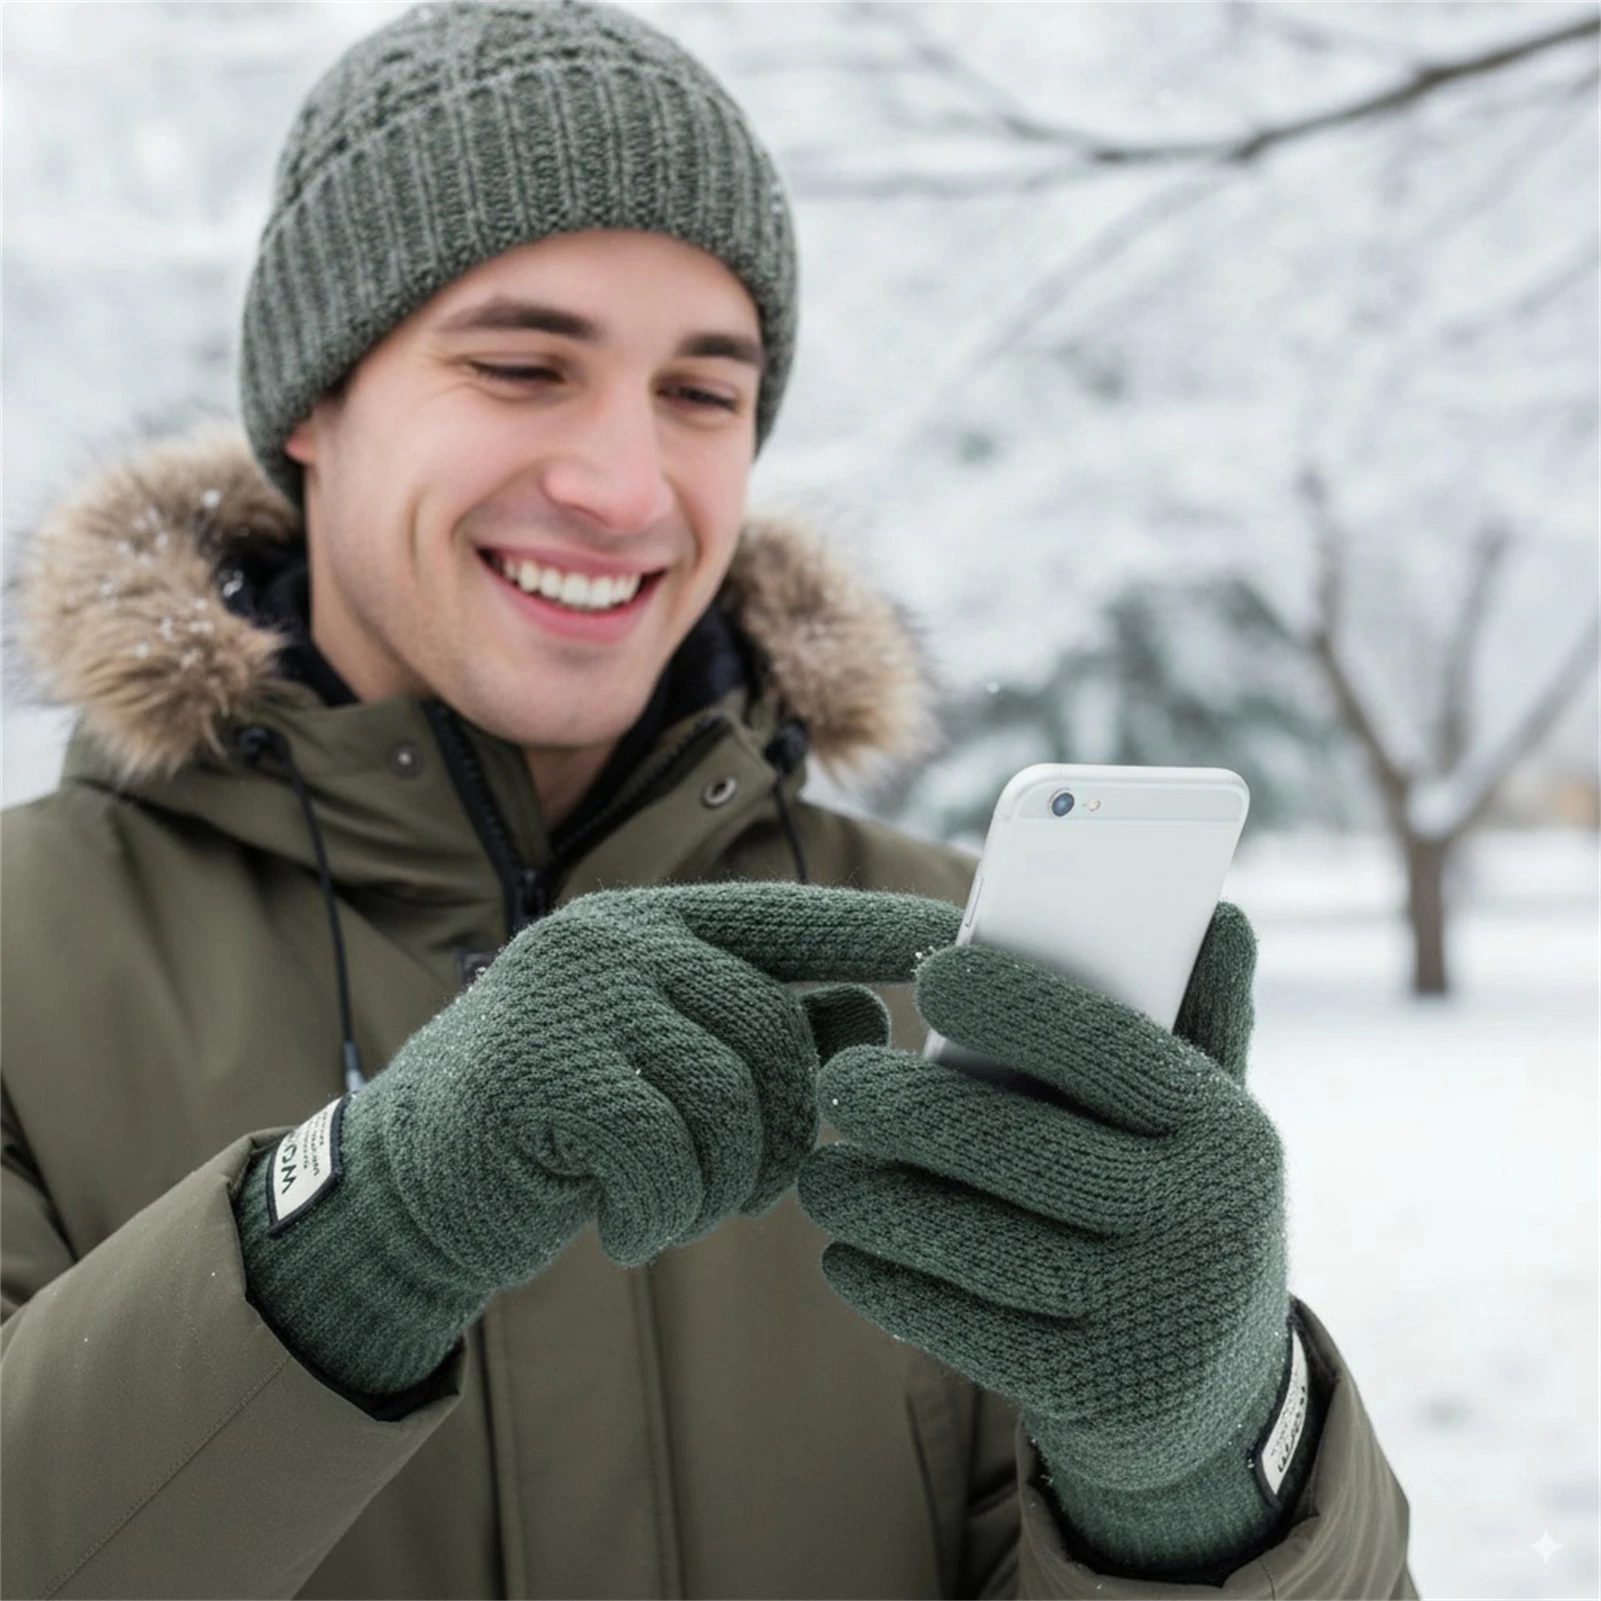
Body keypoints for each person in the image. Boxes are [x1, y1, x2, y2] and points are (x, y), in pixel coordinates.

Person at [0, 4, 1414, 1597]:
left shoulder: (954, 966)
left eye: (702, 393)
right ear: (313, 406)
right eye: (523, 366)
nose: (621, 486)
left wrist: (1204, 1479)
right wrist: (362, 1233)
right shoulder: (22, 959)